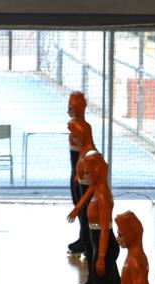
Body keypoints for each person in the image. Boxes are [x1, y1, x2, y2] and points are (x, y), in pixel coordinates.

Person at [68, 151, 120, 284]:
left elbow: (106, 228)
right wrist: (77, 207)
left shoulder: (103, 195)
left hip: (103, 244)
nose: (85, 172)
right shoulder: (97, 187)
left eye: (89, 169)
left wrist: (99, 257)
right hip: (98, 242)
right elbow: (88, 192)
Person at [67, 117, 97, 284]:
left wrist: (79, 207)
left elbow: (97, 185)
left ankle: (97, 281)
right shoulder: (83, 152)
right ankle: (93, 280)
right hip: (85, 201)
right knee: (87, 237)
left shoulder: (90, 155)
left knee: (92, 240)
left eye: (75, 135)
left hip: (91, 205)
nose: (72, 139)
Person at [67, 91, 88, 255]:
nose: (68, 111)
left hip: (80, 170)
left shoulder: (81, 127)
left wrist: (77, 174)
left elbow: (85, 150)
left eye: (71, 107)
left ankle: (87, 241)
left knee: (83, 206)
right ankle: (84, 237)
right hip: (76, 168)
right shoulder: (75, 124)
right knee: (78, 204)